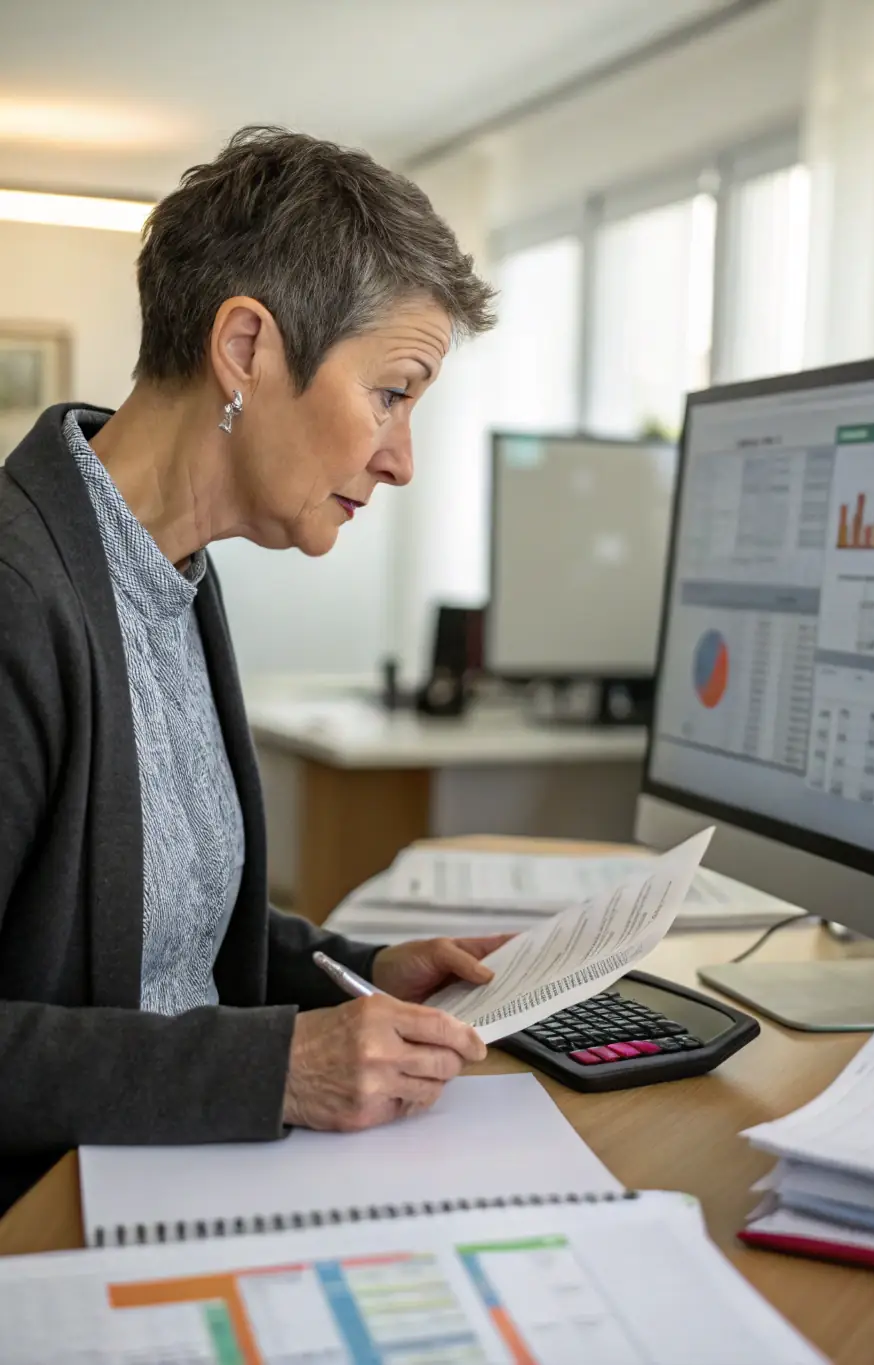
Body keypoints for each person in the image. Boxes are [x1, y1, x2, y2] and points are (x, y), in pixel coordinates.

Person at [0, 126, 507, 1217]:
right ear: (245, 348)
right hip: (48, 1218)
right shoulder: (15, 592)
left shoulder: (172, 575)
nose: (401, 458)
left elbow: (150, 936)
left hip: (173, 1171)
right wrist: (275, 1066)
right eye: (392, 391)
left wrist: (357, 969)